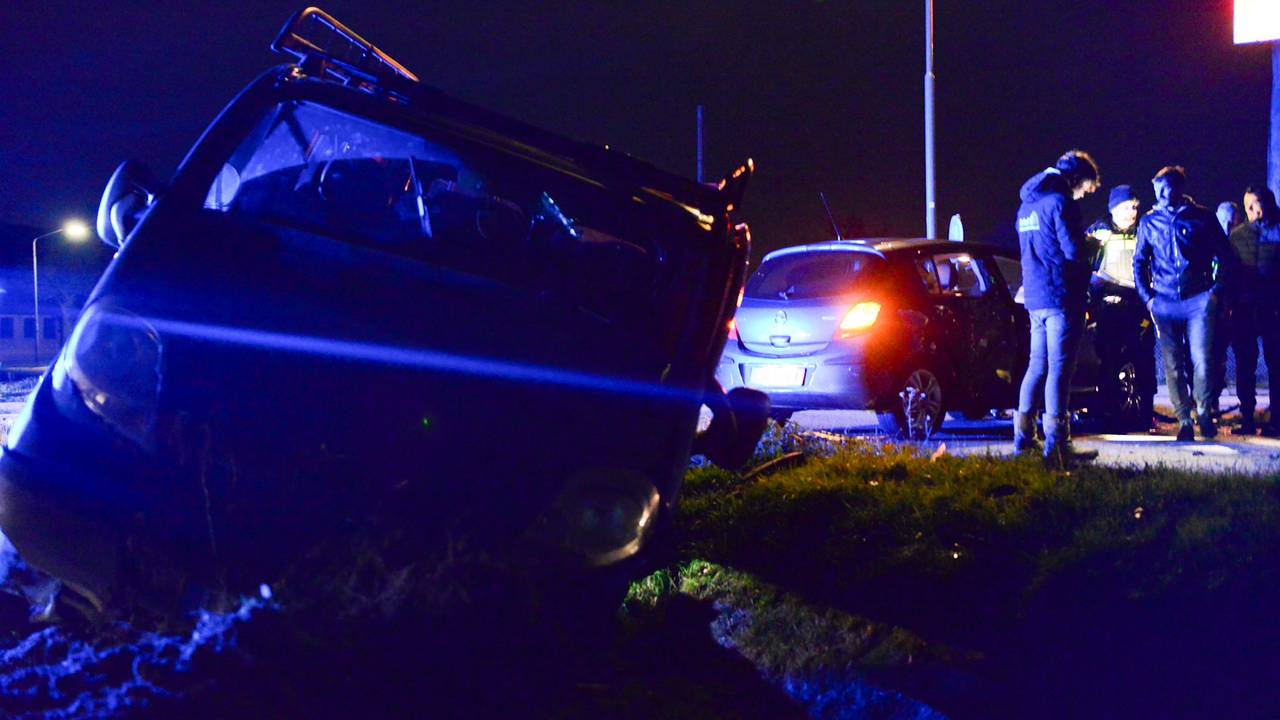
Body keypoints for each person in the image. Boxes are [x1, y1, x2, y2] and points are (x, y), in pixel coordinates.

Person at [1133, 166, 1234, 441]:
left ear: (1180, 187)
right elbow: (1139, 262)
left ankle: (1203, 411)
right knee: (1172, 364)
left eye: (1168, 188)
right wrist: (1148, 298)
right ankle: (1184, 420)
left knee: (1202, 360)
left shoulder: (1202, 218)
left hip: (1198, 300)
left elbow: (1226, 256)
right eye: (1159, 190)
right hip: (1164, 302)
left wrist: (1215, 293)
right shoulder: (1148, 223)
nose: (1164, 195)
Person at [1013, 150, 1101, 468]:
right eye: (1085, 187)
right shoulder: (1061, 203)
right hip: (1062, 297)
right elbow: (1074, 252)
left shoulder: (1027, 205)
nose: (1084, 194)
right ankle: (1058, 444)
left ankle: (1023, 439)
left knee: (1037, 366)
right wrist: (1093, 244)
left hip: (1034, 298)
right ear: (1075, 179)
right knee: (1060, 371)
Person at [1226, 185, 1280, 436]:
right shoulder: (1238, 236)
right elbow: (1229, 273)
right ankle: (1247, 416)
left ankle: (1276, 418)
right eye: (1248, 206)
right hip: (1245, 309)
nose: (1252, 210)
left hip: (1273, 308)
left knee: (1276, 363)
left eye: (1255, 204)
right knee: (1245, 364)